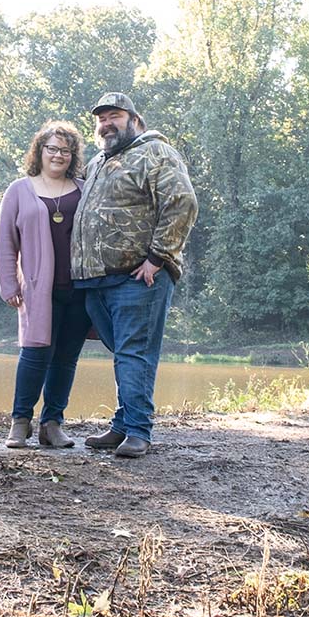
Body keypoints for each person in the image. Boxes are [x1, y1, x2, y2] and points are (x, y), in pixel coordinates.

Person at [71, 92, 198, 458]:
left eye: (115, 116)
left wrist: (157, 258)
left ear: (134, 120)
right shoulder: (98, 161)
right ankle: (123, 425)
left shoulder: (156, 152)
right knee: (125, 353)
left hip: (137, 277)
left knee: (133, 353)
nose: (107, 123)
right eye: (101, 118)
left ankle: (139, 431)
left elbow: (182, 203)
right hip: (97, 279)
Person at [0, 121, 93, 449]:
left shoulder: (84, 188)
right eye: (52, 148)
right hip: (38, 290)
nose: (58, 155)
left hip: (79, 289)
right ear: (40, 151)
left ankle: (52, 424)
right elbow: (5, 242)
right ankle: (20, 423)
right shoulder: (19, 190)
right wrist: (9, 285)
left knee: (66, 358)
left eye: (66, 150)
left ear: (73, 155)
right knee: (35, 354)